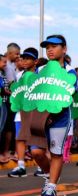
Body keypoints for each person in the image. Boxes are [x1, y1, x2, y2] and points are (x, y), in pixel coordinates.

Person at [32, 35, 77, 196]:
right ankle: (50, 175)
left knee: (56, 152)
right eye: (47, 47)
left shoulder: (70, 72)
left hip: (60, 118)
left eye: (54, 46)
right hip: (40, 119)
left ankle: (51, 186)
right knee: (36, 152)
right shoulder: (40, 70)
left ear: (64, 49)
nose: (50, 49)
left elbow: (68, 95)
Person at [8, 48, 38, 177]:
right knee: (19, 138)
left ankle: (42, 166)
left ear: (35, 61)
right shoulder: (19, 75)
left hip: (33, 113)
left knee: (34, 140)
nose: (24, 61)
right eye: (23, 58)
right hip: (20, 112)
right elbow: (16, 92)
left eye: (28, 58)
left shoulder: (39, 77)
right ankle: (21, 166)